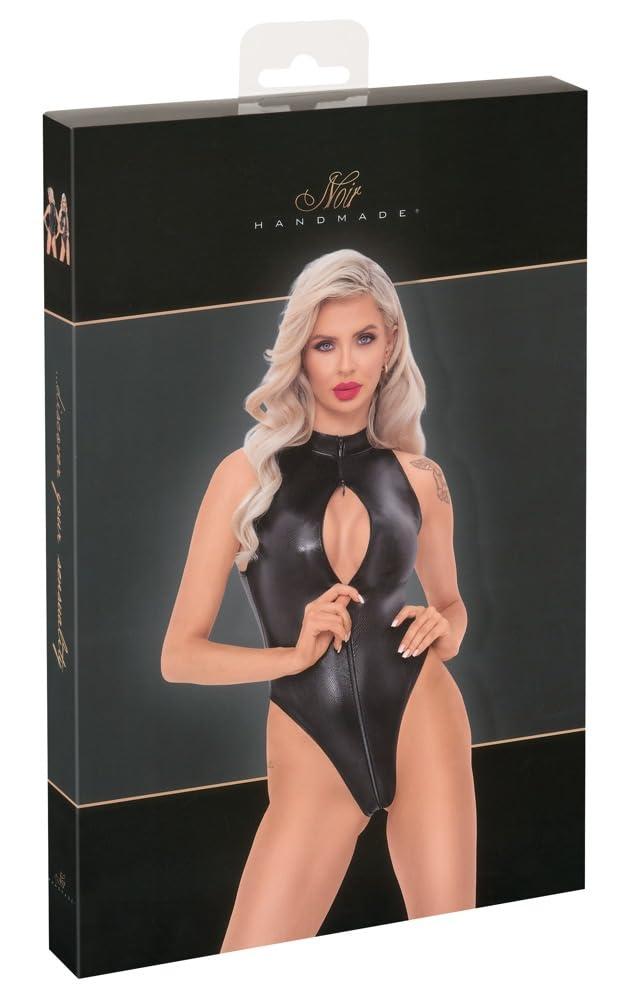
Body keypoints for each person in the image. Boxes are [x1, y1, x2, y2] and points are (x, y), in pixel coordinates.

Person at [161, 248, 476, 952]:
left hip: (424, 718)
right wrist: (289, 656)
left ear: (390, 343)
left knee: (453, 958)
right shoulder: (245, 477)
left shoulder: (421, 476)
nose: (345, 365)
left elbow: (453, 606)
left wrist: (444, 627)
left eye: (364, 338)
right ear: (299, 352)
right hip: (311, 741)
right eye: (323, 344)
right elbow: (178, 656)